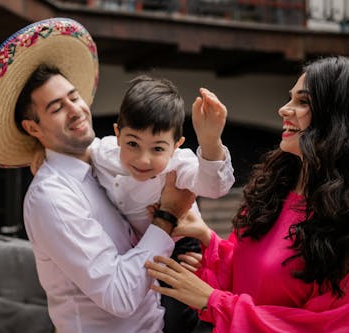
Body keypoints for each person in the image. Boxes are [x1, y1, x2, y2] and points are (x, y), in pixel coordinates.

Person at [0, 18, 195, 333]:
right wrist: (168, 214)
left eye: (74, 97)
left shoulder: (108, 164)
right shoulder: (52, 197)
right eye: (56, 107)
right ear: (34, 128)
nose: (75, 109)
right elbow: (119, 296)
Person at [145, 56, 349, 332]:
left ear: (336, 117)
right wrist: (207, 238)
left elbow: (320, 327)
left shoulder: (342, 222)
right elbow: (255, 279)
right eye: (290, 99)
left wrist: (212, 301)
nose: (284, 109)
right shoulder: (274, 191)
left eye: (303, 102)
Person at [89, 75, 235, 332]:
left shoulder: (179, 166)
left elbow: (214, 187)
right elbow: (75, 151)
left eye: (157, 149)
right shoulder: (102, 153)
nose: (143, 160)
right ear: (117, 134)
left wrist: (210, 141)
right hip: (130, 246)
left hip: (178, 246)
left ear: (176, 146)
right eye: (132, 143)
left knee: (176, 321)